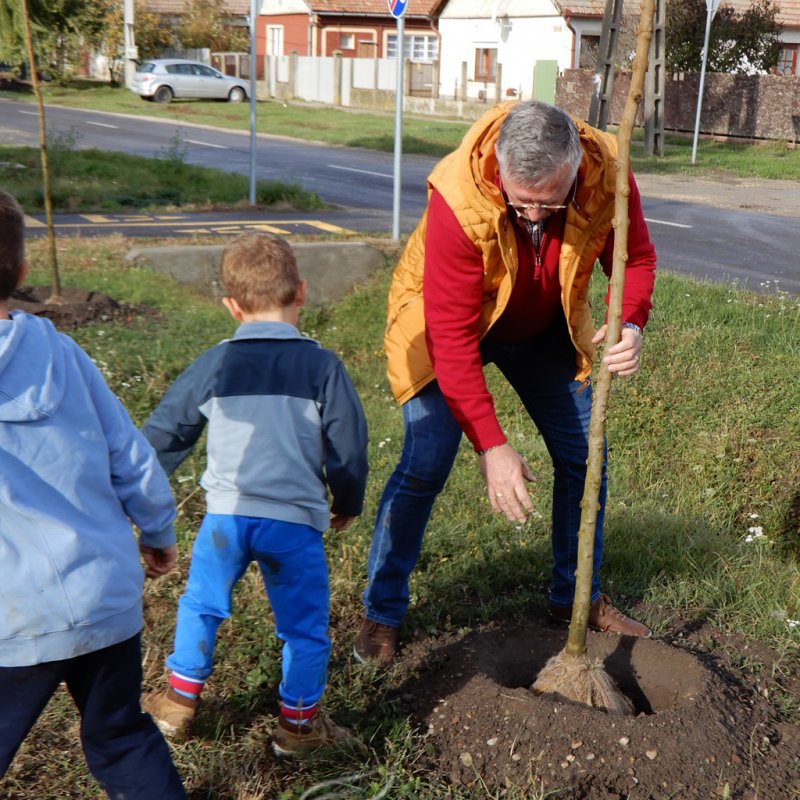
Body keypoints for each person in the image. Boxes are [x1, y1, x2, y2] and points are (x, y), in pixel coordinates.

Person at [354, 100, 658, 667]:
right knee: (427, 460)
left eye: (551, 203)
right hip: (450, 324)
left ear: (574, 169)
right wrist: (492, 444)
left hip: (541, 329)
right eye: (523, 204)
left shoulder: (608, 172)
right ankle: (382, 610)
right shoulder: (458, 199)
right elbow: (450, 337)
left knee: (583, 458)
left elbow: (634, 257)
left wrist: (632, 319)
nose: (537, 218)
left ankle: (575, 598)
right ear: (499, 170)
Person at [141, 232, 369, 757]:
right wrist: (347, 501)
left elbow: (165, 434)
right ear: (302, 293)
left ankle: (178, 702)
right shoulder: (322, 366)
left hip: (227, 520)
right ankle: (298, 728)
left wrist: (139, 495)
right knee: (304, 628)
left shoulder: (215, 364)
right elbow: (349, 445)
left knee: (201, 604)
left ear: (230, 305)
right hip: (293, 524)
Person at [0, 191, 187, 800]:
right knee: (120, 737)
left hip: (11, 619)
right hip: (103, 595)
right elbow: (131, 456)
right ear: (24, 273)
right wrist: (158, 533)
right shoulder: (61, 352)